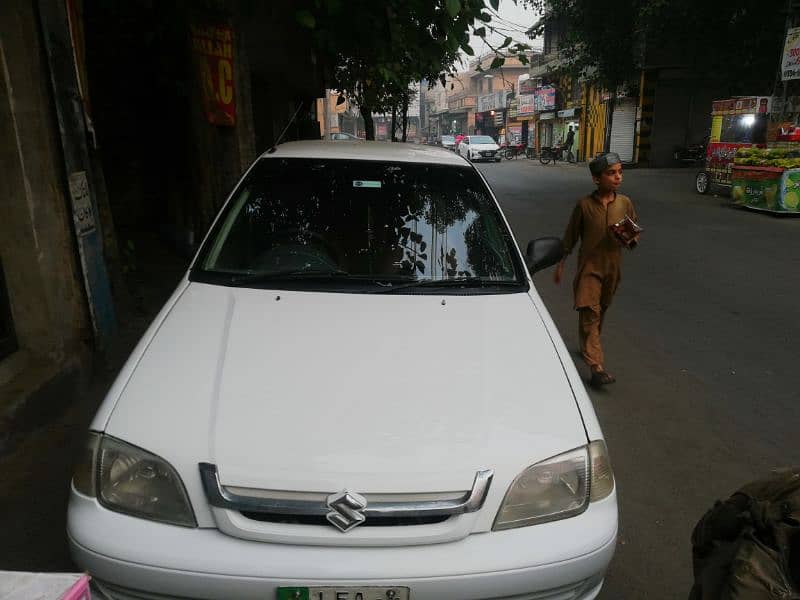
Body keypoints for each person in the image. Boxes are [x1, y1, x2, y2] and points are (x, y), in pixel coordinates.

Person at [553, 152, 640, 387]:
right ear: (596, 179)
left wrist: (626, 237)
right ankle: (596, 367)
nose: (617, 177)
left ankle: (587, 347)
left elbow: (633, 237)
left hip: (612, 268)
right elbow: (570, 237)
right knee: (590, 312)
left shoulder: (625, 203)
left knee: (600, 310)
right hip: (589, 268)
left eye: (620, 172)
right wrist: (561, 263)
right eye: (611, 173)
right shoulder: (584, 206)